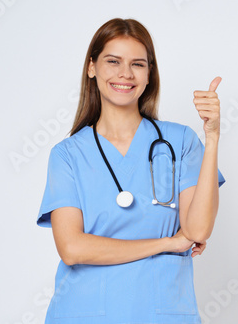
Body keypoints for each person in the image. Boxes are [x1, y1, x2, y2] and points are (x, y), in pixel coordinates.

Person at [36, 18, 226, 323]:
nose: (125, 73)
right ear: (92, 67)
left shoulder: (181, 141)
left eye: (138, 64)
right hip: (84, 314)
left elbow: (198, 230)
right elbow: (71, 248)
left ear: (149, 74)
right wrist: (167, 243)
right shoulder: (68, 155)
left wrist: (213, 135)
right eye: (113, 61)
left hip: (162, 313)